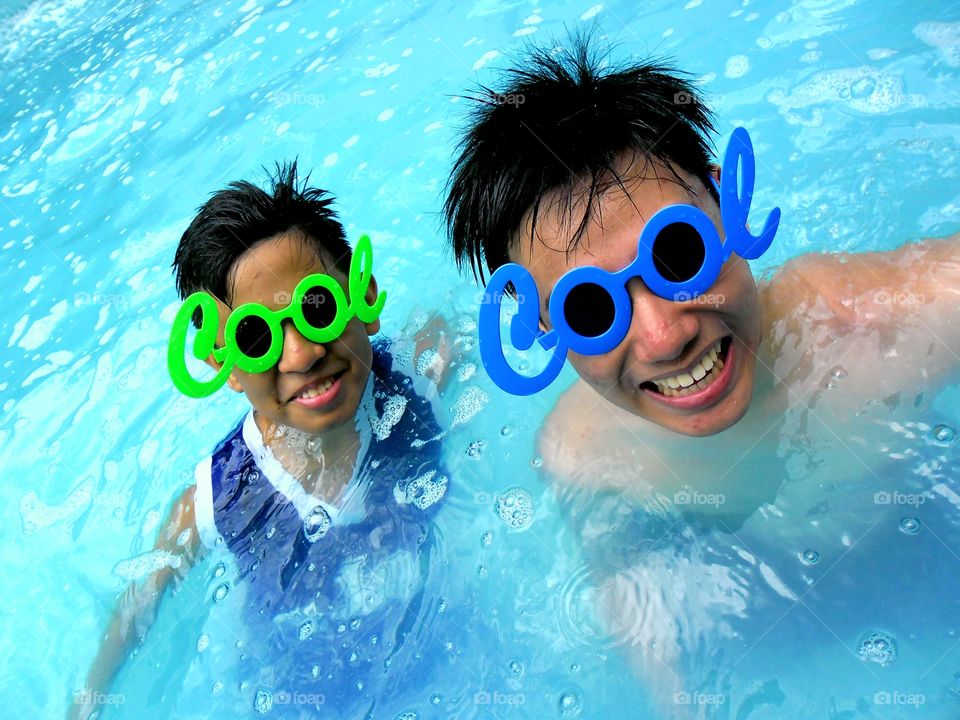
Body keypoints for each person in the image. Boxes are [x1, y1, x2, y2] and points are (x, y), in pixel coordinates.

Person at [443, 35, 960, 715]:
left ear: (725, 202)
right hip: (773, 624)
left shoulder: (870, 327)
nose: (665, 335)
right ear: (540, 326)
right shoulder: (581, 453)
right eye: (591, 306)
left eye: (678, 252)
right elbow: (653, 640)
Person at [72, 162, 453, 719]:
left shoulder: (423, 368)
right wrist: (85, 703)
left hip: (434, 652)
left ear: (363, 294)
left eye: (317, 307)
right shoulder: (215, 501)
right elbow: (136, 615)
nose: (300, 354)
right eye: (256, 337)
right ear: (223, 363)